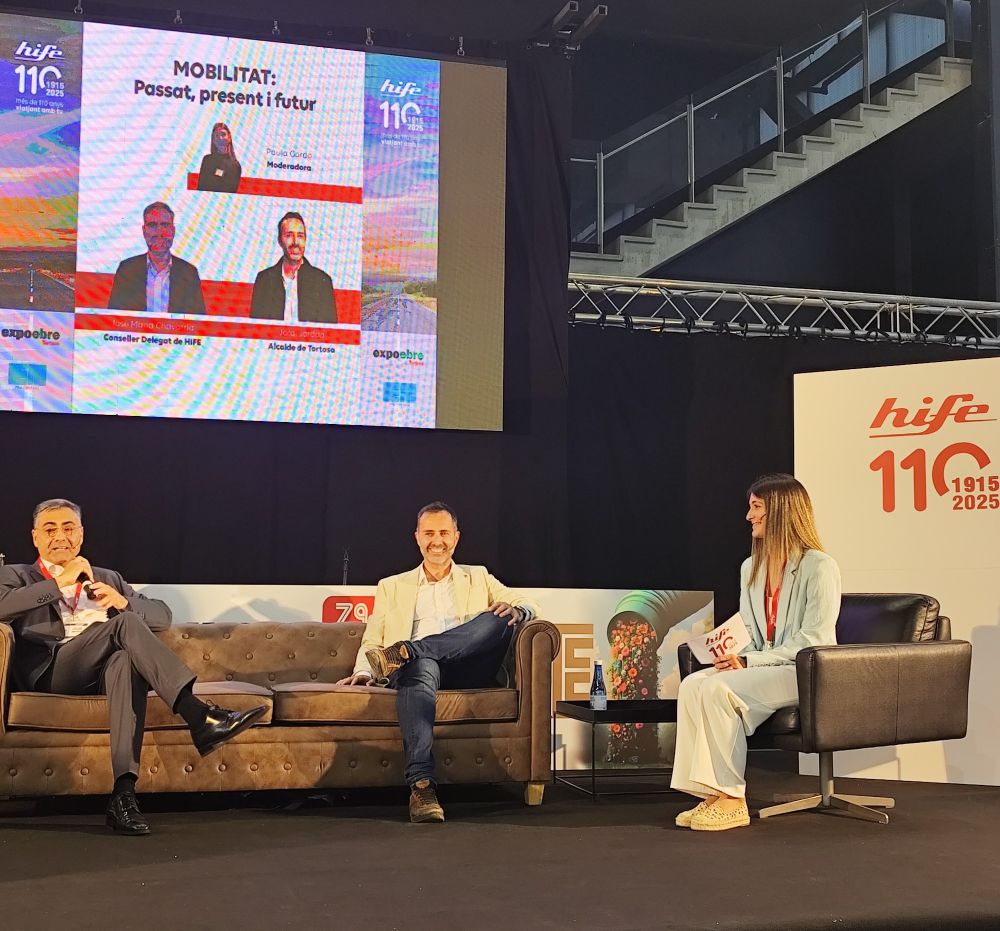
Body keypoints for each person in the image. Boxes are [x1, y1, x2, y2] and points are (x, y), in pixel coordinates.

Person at [0, 499, 267, 835]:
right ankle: (198, 714)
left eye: (68, 528)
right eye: (50, 530)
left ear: (81, 534)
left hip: (101, 674)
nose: (60, 537)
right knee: (124, 625)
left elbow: (162, 616)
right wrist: (60, 582)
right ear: (35, 537)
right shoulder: (16, 575)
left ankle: (123, 796)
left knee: (125, 661)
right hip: (53, 671)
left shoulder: (107, 577)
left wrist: (123, 601)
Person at [336, 501, 538, 823]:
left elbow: (526, 603)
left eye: (444, 533)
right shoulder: (392, 586)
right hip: (420, 672)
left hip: (469, 666)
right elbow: (373, 639)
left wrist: (519, 610)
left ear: (456, 537)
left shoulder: (478, 576)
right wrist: (363, 671)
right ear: (417, 537)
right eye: (429, 533)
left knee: (500, 618)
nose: (437, 541)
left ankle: (410, 650)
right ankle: (422, 787)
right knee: (422, 665)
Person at [670, 473, 841, 832]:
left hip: (805, 671)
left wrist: (749, 661)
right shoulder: (751, 567)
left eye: (756, 507)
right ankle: (711, 793)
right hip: (765, 666)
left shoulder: (820, 567)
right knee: (694, 684)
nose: (749, 516)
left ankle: (732, 799)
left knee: (719, 689)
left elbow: (814, 639)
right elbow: (748, 628)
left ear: (780, 511)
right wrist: (727, 651)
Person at [107, 202, 207, 314]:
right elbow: (113, 318)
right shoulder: (126, 270)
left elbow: (197, 321)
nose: (159, 232)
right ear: (144, 231)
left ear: (173, 231)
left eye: (165, 225)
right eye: (152, 225)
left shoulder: (189, 273)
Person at [249, 211, 337, 323]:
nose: (295, 242)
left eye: (300, 236)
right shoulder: (264, 280)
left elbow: (329, 331)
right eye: (289, 235)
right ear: (280, 240)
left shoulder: (322, 282)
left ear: (305, 240)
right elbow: (256, 329)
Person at [196, 122, 242, 194]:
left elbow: (230, 193)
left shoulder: (236, 166)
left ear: (229, 138)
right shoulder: (207, 160)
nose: (220, 138)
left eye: (223, 134)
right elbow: (201, 188)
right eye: (217, 135)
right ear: (213, 140)